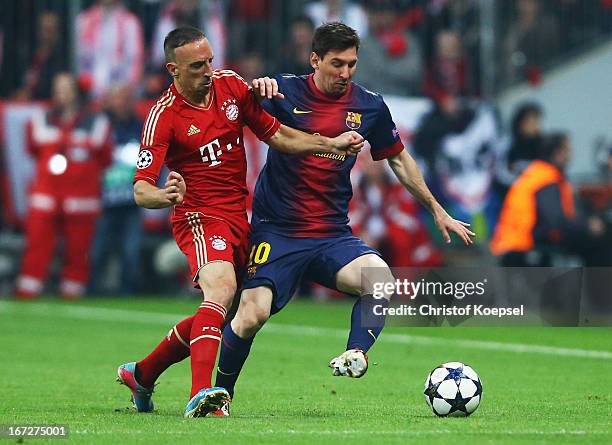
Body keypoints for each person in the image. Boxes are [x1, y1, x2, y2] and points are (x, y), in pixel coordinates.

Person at [211, 22, 473, 413]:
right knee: (251, 315)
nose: (345, 73)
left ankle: (356, 353)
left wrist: (437, 209)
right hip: (277, 231)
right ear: (314, 60)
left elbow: (398, 158)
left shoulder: (368, 105)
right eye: (337, 64)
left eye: (352, 64)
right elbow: (230, 108)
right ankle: (219, 396)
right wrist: (256, 87)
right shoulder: (283, 91)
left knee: (381, 281)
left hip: (331, 235)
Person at [115, 26, 364, 418]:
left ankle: (142, 373)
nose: (208, 70)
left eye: (210, 60)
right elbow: (140, 189)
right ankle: (203, 395)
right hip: (199, 216)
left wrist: (328, 144)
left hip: (239, 216)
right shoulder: (163, 116)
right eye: (197, 65)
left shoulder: (229, 86)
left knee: (226, 315)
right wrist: (163, 196)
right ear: (173, 69)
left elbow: (277, 134)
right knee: (221, 291)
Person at [15, 73, 112, 299]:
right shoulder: (40, 120)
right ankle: (28, 290)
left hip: (81, 199)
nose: (62, 94)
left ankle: (72, 291)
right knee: (37, 245)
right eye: (58, 89)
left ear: (78, 92)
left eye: (67, 88)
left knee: (78, 250)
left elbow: (105, 159)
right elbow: (32, 149)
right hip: (46, 196)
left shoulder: (97, 123)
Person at [490, 133, 607, 266]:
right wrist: (587, 225)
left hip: (517, 242)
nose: (571, 155)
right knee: (601, 244)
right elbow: (555, 221)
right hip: (522, 246)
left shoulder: (539, 173)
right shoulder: (546, 179)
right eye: (568, 150)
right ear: (558, 153)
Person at [88, 84, 144, 295]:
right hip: (104, 199)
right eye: (119, 98)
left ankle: (128, 292)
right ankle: (91, 289)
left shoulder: (141, 127)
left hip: (131, 200)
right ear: (109, 101)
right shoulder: (100, 126)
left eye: (127, 99)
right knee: (97, 249)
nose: (123, 103)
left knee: (131, 251)